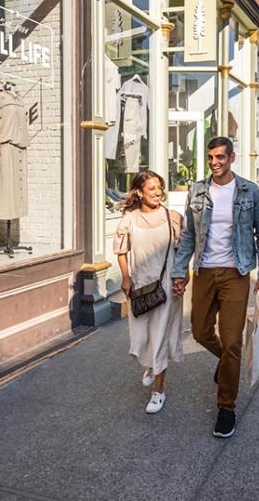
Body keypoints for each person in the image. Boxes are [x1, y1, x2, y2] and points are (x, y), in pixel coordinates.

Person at [171, 137, 259, 438]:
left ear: (231, 158)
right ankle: (226, 364)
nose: (215, 162)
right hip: (203, 270)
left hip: (235, 272)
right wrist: (181, 271)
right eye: (210, 157)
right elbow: (189, 235)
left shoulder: (248, 190)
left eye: (220, 157)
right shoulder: (198, 190)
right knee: (200, 331)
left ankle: (226, 407)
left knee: (232, 341)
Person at [114, 171, 183, 414]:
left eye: (160, 187)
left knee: (161, 334)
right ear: (140, 192)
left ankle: (158, 391)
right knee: (141, 336)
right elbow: (122, 251)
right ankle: (150, 364)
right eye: (151, 188)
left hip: (166, 284)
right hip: (140, 285)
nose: (157, 192)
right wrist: (125, 277)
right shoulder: (130, 219)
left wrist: (181, 277)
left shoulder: (172, 217)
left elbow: (182, 251)